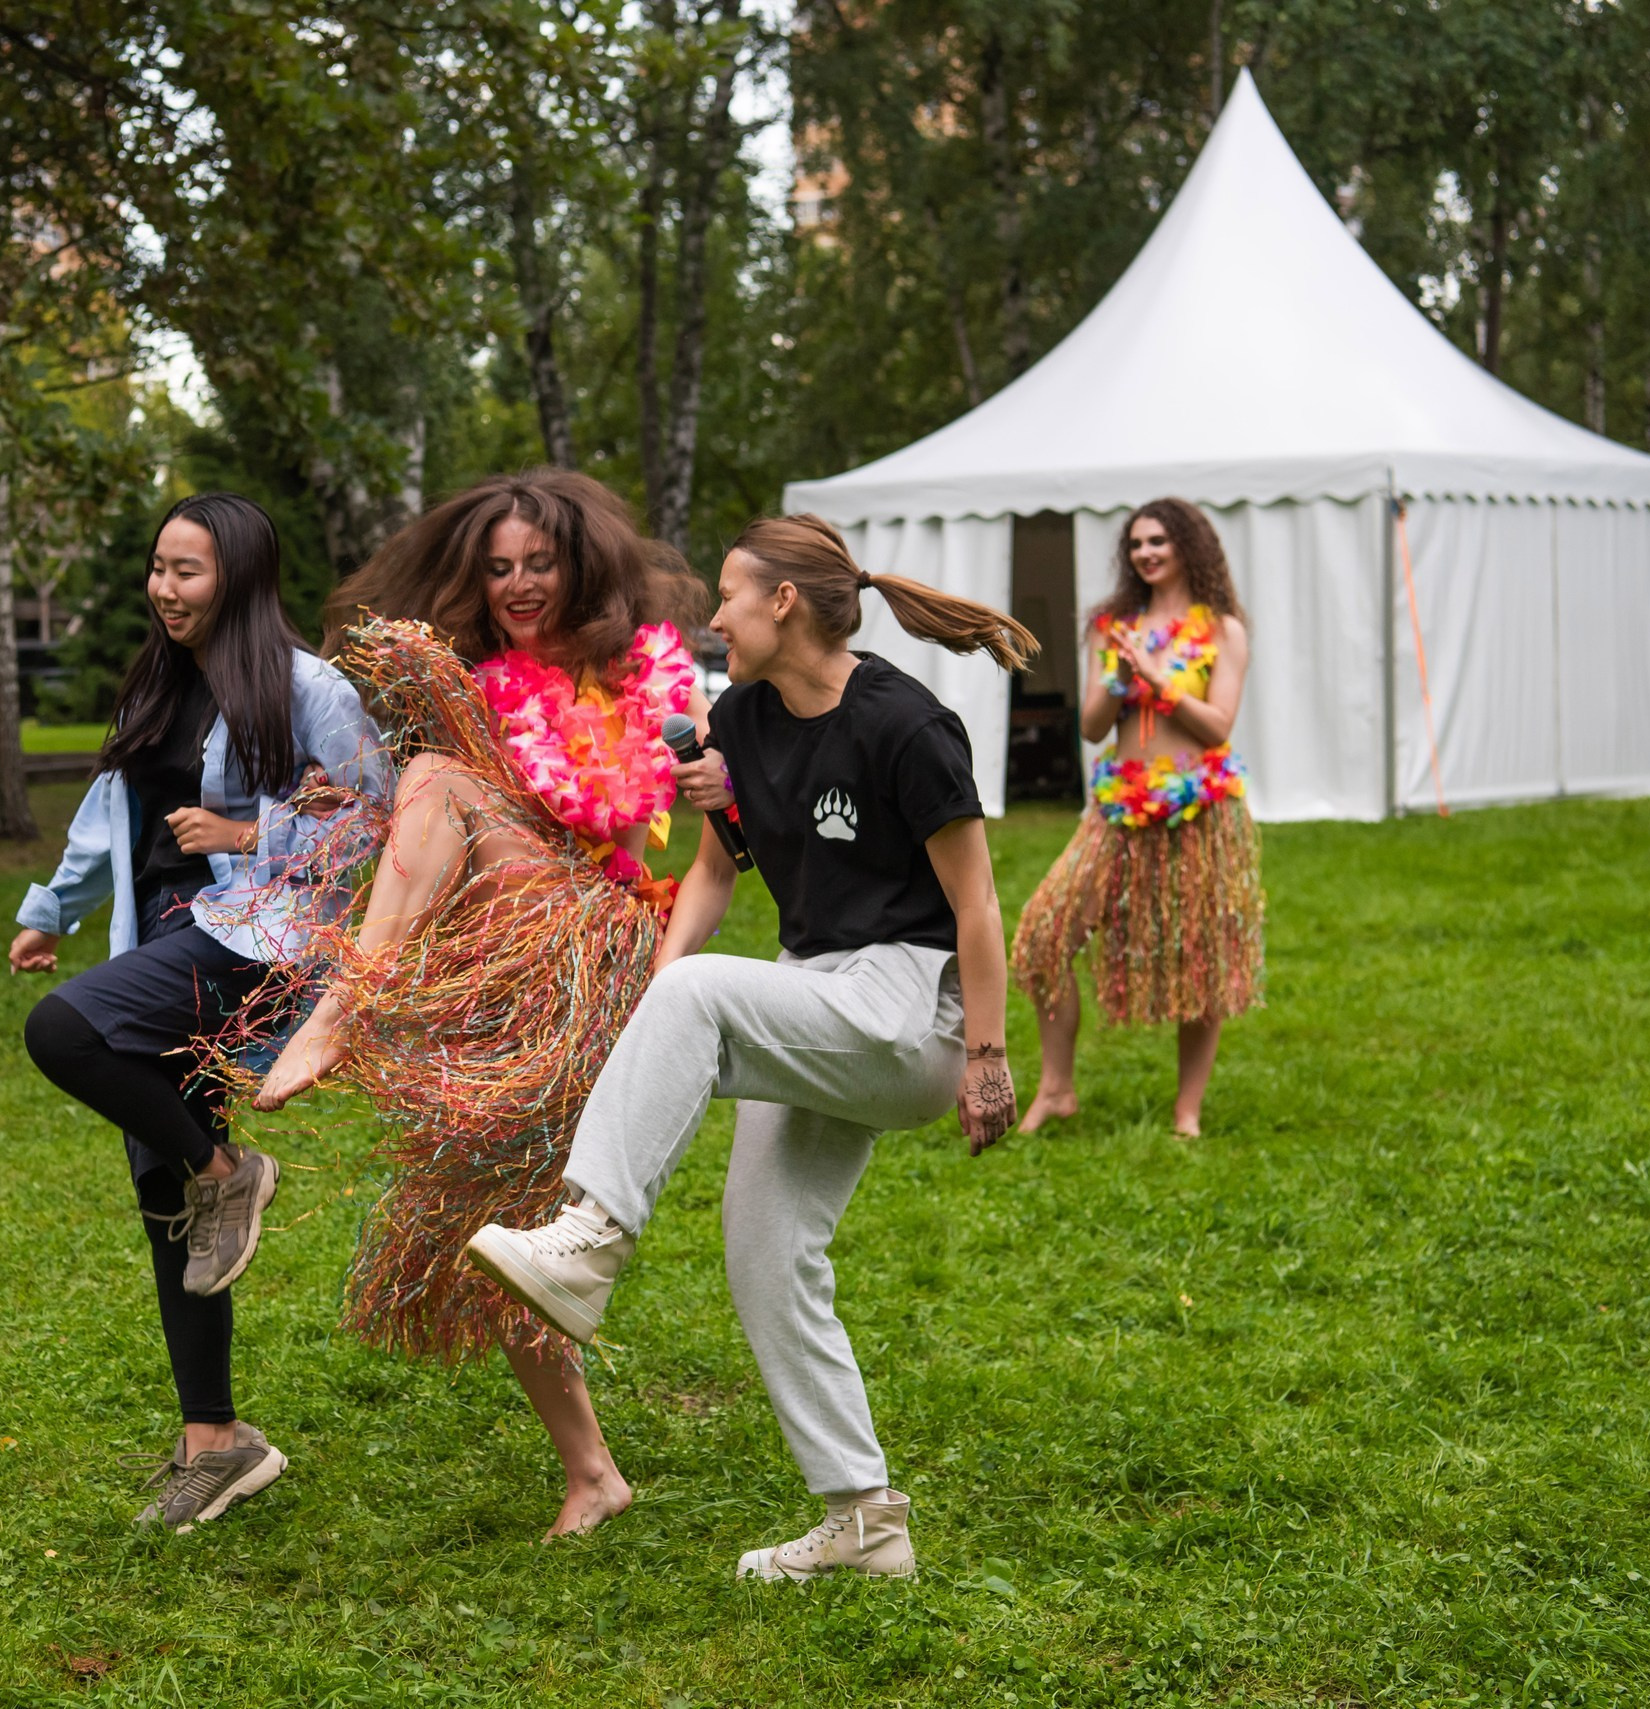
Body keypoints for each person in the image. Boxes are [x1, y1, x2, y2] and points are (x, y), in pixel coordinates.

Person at [464, 514, 1033, 1581]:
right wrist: (657, 993)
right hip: (815, 994)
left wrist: (988, 1057)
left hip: (911, 1011)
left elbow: (979, 905)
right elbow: (717, 872)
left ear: (784, 602)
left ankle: (588, 1241)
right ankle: (865, 1519)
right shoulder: (738, 720)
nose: (714, 616)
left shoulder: (907, 724)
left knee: (704, 996)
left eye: (729, 594)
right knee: (765, 1248)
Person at [245, 469, 708, 1539]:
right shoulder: (479, 686)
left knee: (438, 780)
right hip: (506, 957)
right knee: (496, 1221)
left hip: (595, 930)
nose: (518, 584)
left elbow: (629, 816)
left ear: (579, 563)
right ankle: (592, 1471)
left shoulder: (646, 675)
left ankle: (340, 1009)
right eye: (498, 568)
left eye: (538, 563)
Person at [8, 492, 388, 1533]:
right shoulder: (159, 680)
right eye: (159, 567)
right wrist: (51, 910)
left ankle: (231, 1172)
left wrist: (247, 831)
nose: (165, 589)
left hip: (250, 939)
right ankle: (215, 1439)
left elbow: (378, 816)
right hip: (164, 938)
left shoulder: (306, 686)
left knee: (61, 1030)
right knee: (165, 1194)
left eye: (188, 571)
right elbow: (110, 812)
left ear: (241, 576)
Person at [1010, 498, 1261, 1139]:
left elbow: (1218, 727)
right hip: (1117, 811)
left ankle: (1186, 1112)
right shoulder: (1111, 627)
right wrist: (1120, 678)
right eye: (1137, 544)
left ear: (1189, 547)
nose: (1145, 553)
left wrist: (1160, 679)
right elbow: (1093, 728)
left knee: (1199, 957)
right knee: (1045, 936)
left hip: (1197, 811)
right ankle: (1057, 1089)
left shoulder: (1223, 630)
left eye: (1158, 541)